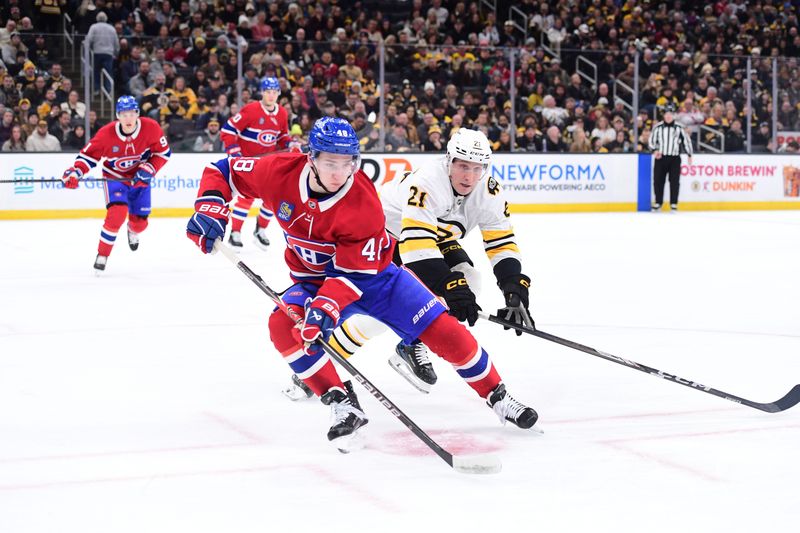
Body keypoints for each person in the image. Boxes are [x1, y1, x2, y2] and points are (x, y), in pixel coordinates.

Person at [185, 117, 539, 449]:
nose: (340, 173)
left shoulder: (363, 202)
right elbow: (224, 170)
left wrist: (325, 308)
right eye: (330, 163)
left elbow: (352, 274)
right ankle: (341, 401)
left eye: (348, 163)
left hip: (378, 279)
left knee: (447, 332)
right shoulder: (278, 171)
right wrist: (210, 207)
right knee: (281, 326)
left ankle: (497, 395)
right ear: (311, 158)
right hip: (312, 282)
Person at [284, 128, 533, 397]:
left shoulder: (490, 192)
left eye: (476, 168)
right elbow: (417, 250)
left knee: (470, 281)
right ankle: (319, 367)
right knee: (381, 315)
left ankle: (411, 341)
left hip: (432, 237)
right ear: (449, 161)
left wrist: (513, 286)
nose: (469, 176)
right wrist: (450, 286)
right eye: (462, 166)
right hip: (384, 237)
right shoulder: (428, 181)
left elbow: (501, 240)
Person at [60, 96, 171, 272]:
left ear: (137, 114)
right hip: (115, 177)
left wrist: (149, 168)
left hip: (140, 179)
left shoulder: (151, 128)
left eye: (131, 113)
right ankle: (102, 255)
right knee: (117, 213)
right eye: (123, 114)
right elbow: (88, 157)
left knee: (140, 224)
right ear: (117, 116)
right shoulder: (106, 134)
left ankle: (132, 229)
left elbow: (164, 153)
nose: (128, 118)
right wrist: (75, 172)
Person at [220, 77, 292, 250]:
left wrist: (289, 144)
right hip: (249, 164)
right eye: (268, 92)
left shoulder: (282, 112)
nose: (271, 95)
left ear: (279, 93)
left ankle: (260, 231)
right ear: (262, 92)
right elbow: (227, 130)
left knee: (271, 198)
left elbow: (282, 136)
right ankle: (235, 233)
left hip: (268, 164)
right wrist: (234, 151)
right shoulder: (251, 110)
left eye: (275, 92)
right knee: (246, 199)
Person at [648, 102, 693, 212]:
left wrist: (689, 154)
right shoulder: (657, 127)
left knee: (674, 181)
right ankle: (658, 202)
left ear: (674, 115)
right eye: (666, 114)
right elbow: (651, 141)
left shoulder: (679, 127)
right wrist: (655, 150)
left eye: (671, 114)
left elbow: (686, 141)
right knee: (658, 180)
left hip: (674, 158)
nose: (668, 116)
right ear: (663, 115)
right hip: (661, 158)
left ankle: (673, 203)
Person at [85, 12, 119, 95]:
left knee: (96, 71)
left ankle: (96, 89)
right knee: (108, 72)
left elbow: (89, 39)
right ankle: (109, 90)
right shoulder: (111, 28)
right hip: (108, 53)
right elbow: (116, 42)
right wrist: (116, 53)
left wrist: (88, 49)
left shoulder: (94, 27)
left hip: (97, 52)